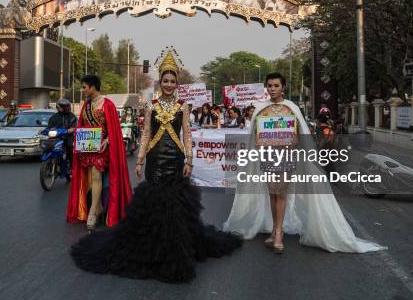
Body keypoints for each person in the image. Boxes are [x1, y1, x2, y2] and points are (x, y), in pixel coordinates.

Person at [71, 48, 242, 283]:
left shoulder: (183, 106)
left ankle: (174, 252)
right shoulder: (151, 106)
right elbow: (145, 135)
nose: (169, 84)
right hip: (154, 160)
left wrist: (190, 160)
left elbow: (188, 135)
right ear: (160, 81)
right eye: (165, 80)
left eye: (172, 81)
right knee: (153, 207)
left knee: (174, 208)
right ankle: (151, 250)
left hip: (175, 160)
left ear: (177, 83)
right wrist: (139, 160)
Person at [223, 72, 385, 253]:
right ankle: (276, 228)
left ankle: (278, 233)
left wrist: (292, 141)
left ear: (283, 87)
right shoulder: (261, 109)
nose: (273, 89)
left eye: (276, 85)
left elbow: (301, 135)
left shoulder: (292, 107)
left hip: (286, 155)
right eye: (269, 85)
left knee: (282, 192)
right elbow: (253, 136)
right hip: (267, 156)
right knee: (273, 193)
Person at [67, 75, 132, 230]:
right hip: (88, 147)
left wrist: (107, 140)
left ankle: (92, 213)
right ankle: (99, 207)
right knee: (90, 178)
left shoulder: (108, 105)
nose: (82, 90)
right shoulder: (86, 105)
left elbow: (114, 130)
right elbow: (82, 125)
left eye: (84, 87)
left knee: (96, 176)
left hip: (103, 148)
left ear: (93, 87)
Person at [48, 99, 78, 179]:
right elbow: (49, 127)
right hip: (56, 137)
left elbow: (75, 126)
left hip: (68, 137)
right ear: (59, 107)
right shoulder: (54, 117)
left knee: (70, 147)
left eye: (68, 106)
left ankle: (71, 167)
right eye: (65, 106)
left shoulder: (72, 117)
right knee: (48, 146)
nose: (68, 108)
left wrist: (70, 130)